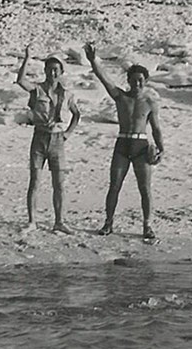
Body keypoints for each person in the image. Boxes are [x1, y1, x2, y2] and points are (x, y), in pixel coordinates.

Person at [84, 43, 164, 240]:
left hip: (141, 146)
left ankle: (147, 226)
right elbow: (104, 79)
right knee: (115, 185)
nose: (137, 84)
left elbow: (155, 128)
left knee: (145, 188)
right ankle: (108, 222)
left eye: (140, 81)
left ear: (145, 81)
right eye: (134, 80)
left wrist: (161, 149)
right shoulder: (120, 97)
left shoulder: (149, 102)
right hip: (122, 144)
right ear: (128, 81)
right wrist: (93, 60)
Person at [16, 45, 80, 234]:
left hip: (58, 139)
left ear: (61, 72)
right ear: (45, 71)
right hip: (40, 137)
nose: (52, 73)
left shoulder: (67, 93)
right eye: (49, 69)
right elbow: (20, 80)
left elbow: (77, 114)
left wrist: (68, 132)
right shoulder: (37, 90)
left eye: (56, 70)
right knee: (35, 181)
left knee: (59, 183)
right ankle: (32, 221)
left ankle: (59, 221)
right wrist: (26, 58)